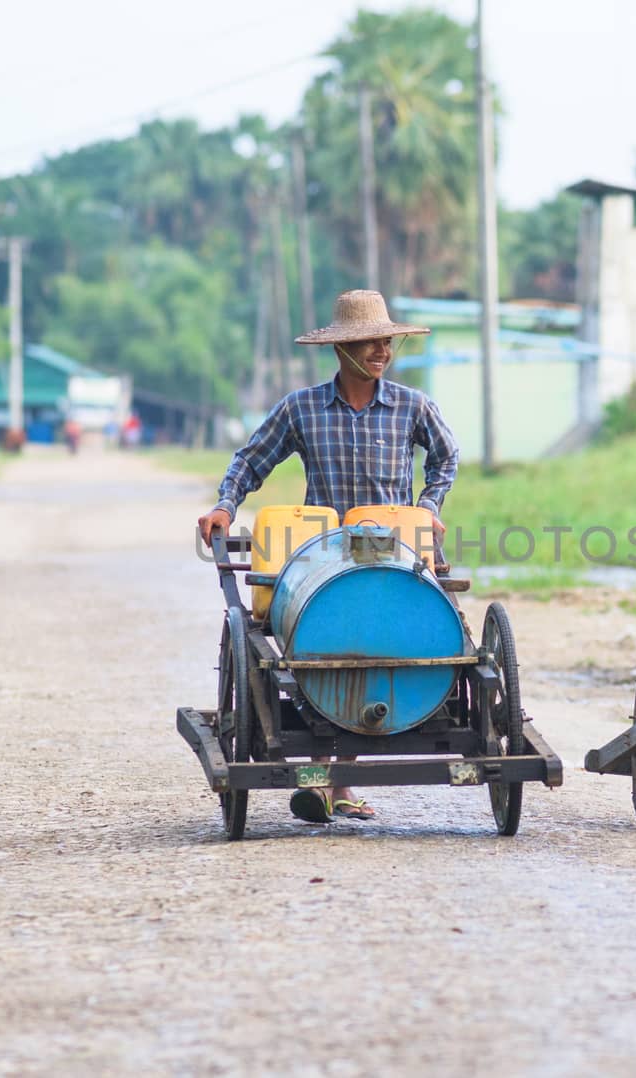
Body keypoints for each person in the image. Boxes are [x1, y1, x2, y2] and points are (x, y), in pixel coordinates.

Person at [197, 289, 460, 824]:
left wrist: (430, 505)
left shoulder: (412, 406)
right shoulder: (301, 408)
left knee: (383, 645)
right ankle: (329, 780)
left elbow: (446, 457)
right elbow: (251, 460)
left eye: (385, 341)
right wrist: (226, 504)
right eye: (369, 342)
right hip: (322, 557)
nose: (381, 350)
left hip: (393, 552)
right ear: (342, 350)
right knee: (327, 646)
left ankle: (334, 781)